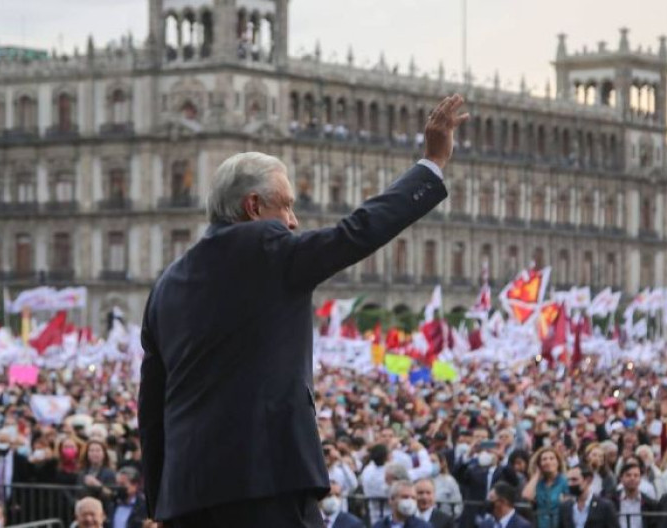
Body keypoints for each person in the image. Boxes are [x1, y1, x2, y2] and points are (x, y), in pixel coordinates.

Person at [138, 94, 469, 528]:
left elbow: (151, 405)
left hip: (187, 497)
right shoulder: (268, 250)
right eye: (286, 205)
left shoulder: (167, 284)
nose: (293, 221)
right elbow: (357, 232)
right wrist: (431, 163)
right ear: (253, 206)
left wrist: (159, 501)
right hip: (265, 483)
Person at [558, 464, 619, 528]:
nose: (570, 484)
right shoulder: (565, 507)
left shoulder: (605, 506)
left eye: (574, 480)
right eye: (568, 480)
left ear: (588, 480)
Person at [522, 448, 567, 528]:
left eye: (552, 458)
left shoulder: (565, 481)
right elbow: (526, 496)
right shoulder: (538, 483)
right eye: (544, 459)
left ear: (558, 462)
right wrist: (537, 474)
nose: (548, 462)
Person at [614, 463, 657, 528]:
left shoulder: (650, 504)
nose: (632, 478)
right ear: (621, 478)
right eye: (628, 475)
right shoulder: (612, 500)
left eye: (636, 475)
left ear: (640, 479)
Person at [430, 452, 462, 517]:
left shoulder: (449, 481)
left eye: (433, 461)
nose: (430, 464)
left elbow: (458, 503)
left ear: (442, 463)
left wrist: (449, 519)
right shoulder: (421, 479)